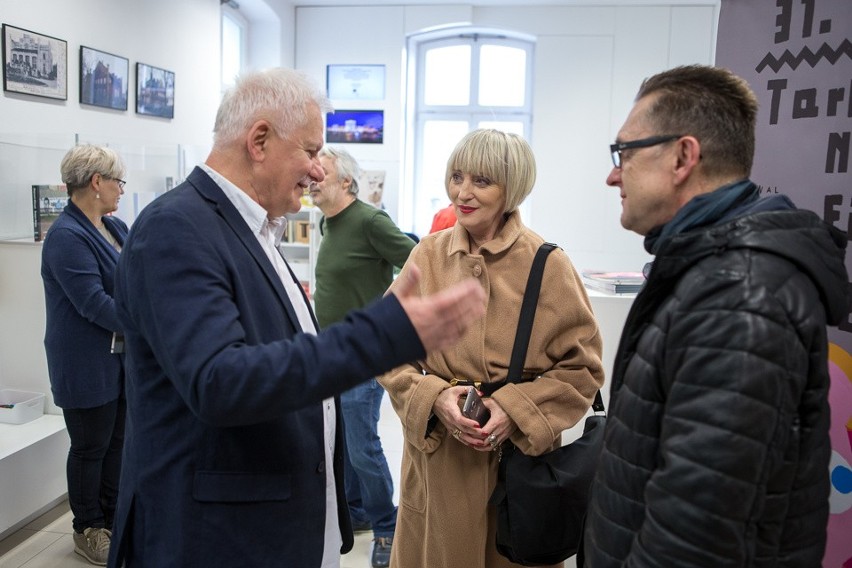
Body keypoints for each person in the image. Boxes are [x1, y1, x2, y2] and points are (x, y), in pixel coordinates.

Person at [107, 67, 486, 568]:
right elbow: (221, 381)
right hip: (212, 538)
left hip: (265, 527)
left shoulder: (253, 228)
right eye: (310, 152)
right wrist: (384, 333)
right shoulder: (175, 229)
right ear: (259, 140)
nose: (317, 172)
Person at [582, 65, 849, 567]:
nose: (613, 174)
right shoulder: (709, 273)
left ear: (683, 156)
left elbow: (692, 540)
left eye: (625, 153)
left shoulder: (739, 295)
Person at [379, 129, 605, 568]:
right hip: (439, 461)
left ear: (512, 187)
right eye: (456, 176)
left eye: (481, 181)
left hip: (517, 468)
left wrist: (514, 410)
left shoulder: (547, 264)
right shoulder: (427, 255)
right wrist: (433, 398)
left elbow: (583, 369)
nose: (462, 192)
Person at [310, 146, 415, 567]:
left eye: (323, 173)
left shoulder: (371, 220)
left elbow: (416, 260)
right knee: (342, 443)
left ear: (346, 183)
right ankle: (355, 510)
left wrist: (387, 310)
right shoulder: (325, 222)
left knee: (361, 444)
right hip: (333, 352)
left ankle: (387, 527)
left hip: (367, 352)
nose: (313, 178)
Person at [41, 144, 128, 566]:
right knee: (91, 446)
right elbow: (94, 304)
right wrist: (152, 323)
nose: (122, 191)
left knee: (118, 444)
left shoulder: (117, 228)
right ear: (97, 182)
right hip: (84, 360)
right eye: (118, 182)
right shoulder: (65, 237)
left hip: (121, 358)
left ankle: (113, 518)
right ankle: (88, 528)